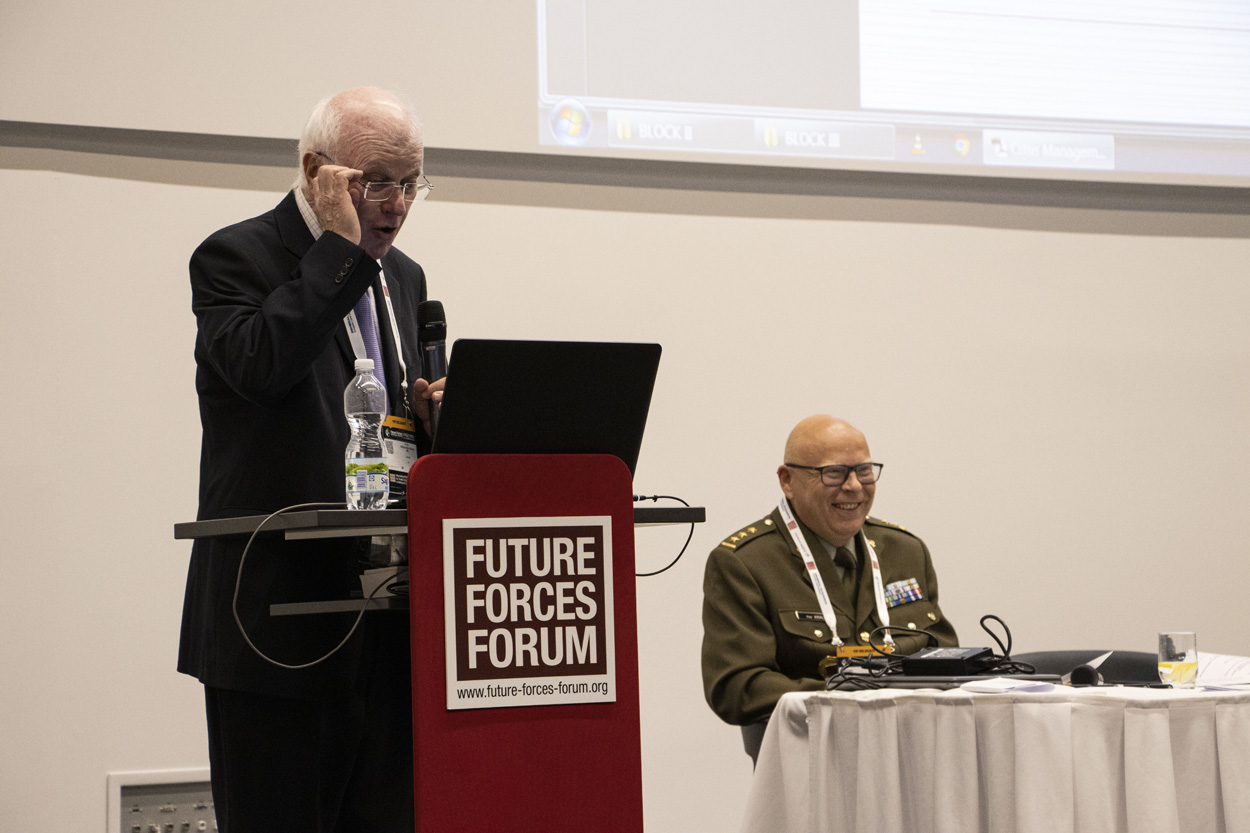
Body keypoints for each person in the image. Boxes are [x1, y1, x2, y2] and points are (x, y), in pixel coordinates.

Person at [177, 87, 440, 832]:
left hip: (386, 620)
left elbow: (387, 436)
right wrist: (338, 251)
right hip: (278, 625)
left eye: (411, 183)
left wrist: (436, 424)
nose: (396, 205)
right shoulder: (235, 257)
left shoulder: (404, 276)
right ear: (316, 171)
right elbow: (261, 367)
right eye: (376, 183)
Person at [701, 415, 958, 726]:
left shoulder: (905, 550)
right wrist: (852, 698)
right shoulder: (746, 563)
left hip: (911, 738)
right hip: (809, 743)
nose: (854, 486)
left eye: (864, 471)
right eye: (834, 473)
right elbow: (737, 689)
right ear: (787, 481)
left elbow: (946, 657)